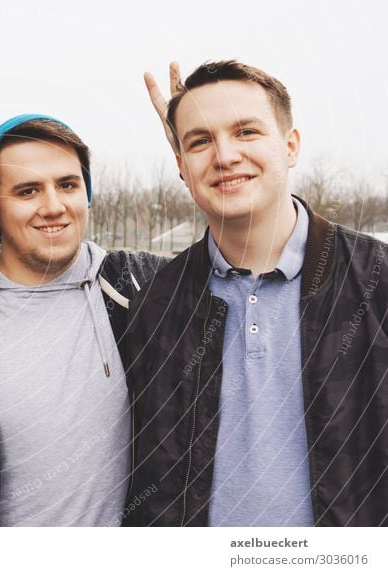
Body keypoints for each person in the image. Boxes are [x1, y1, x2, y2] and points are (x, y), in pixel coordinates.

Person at [123, 60, 388, 526]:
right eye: (200, 141)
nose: (224, 156)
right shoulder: (155, 304)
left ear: (290, 146)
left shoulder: (377, 282)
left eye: (246, 132)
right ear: (180, 165)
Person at [0, 115, 167, 526]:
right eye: (28, 191)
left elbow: (244, 259)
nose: (54, 206)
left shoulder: (137, 288)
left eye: (67, 185)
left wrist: (198, 157)